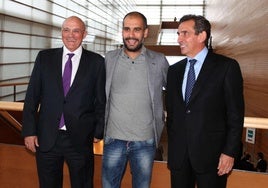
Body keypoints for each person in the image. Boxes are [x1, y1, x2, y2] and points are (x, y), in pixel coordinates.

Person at [22, 16, 106, 188]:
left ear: (84, 34)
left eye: (76, 31)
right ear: (61, 33)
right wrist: (29, 131)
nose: (71, 35)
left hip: (81, 139)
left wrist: (98, 131)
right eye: (66, 30)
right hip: (47, 138)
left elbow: (100, 100)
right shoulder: (44, 58)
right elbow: (31, 97)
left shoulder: (97, 62)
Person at [166, 14, 244, 188]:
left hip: (212, 158)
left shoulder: (227, 67)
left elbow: (235, 115)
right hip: (179, 157)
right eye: (178, 34)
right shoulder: (174, 71)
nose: (179, 39)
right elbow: (172, 113)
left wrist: (229, 152)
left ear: (202, 36)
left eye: (184, 33)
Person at [102, 11, 169, 188]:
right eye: (127, 29)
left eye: (136, 30)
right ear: (122, 31)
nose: (131, 35)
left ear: (145, 32)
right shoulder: (109, 59)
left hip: (145, 141)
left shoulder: (159, 60)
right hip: (113, 139)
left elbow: (174, 92)